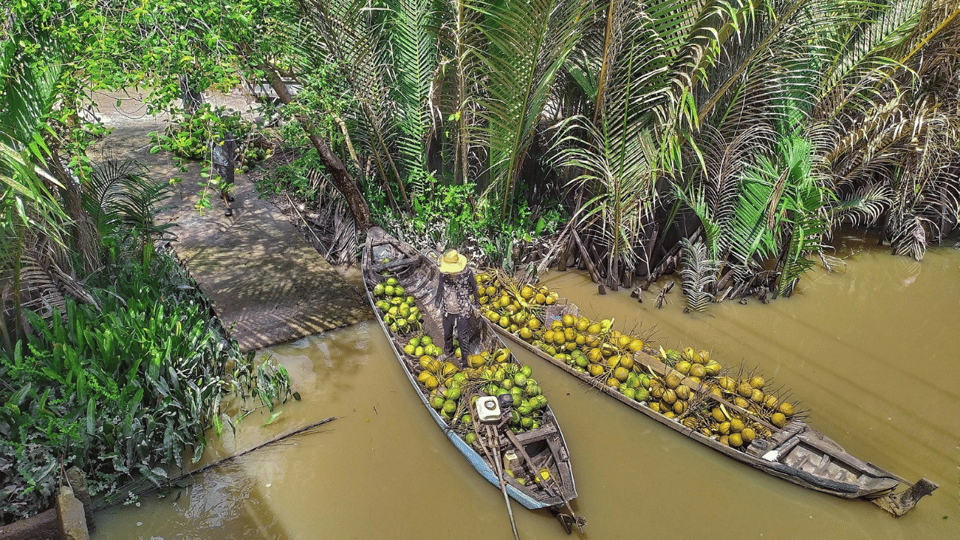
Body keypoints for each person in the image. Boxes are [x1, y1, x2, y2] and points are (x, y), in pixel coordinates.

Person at [435, 249, 479, 367]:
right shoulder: (443, 274)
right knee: (447, 333)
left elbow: (474, 289)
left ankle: (465, 363)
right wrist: (437, 303)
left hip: (462, 309)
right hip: (447, 308)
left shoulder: (468, 273)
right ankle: (448, 352)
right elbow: (440, 288)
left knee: (462, 337)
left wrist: (477, 306)